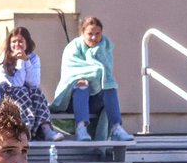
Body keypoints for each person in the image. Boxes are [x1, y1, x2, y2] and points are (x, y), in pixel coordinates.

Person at [51, 15, 134, 143]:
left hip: (95, 101)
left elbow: (105, 73)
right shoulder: (72, 48)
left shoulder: (105, 48)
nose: (94, 37)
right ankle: (81, 128)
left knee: (109, 85)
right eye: (90, 34)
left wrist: (95, 74)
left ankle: (116, 128)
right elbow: (71, 73)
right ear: (82, 33)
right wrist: (89, 75)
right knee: (81, 84)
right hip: (71, 101)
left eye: (97, 33)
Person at [0, 26, 63, 143]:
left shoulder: (33, 58)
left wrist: (26, 60)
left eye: (20, 41)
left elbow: (34, 82)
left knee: (36, 91)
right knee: (21, 91)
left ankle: (46, 129)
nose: (17, 44)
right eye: (14, 42)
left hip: (25, 92)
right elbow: (17, 83)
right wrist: (21, 61)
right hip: (7, 94)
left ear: (27, 43)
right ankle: (25, 129)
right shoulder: (3, 58)